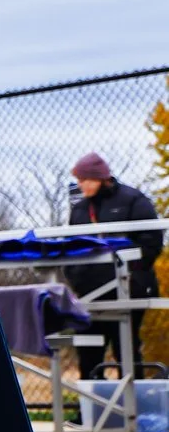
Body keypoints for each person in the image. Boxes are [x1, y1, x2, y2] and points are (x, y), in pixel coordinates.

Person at [64, 153, 162, 378]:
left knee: (125, 347)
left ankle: (132, 407)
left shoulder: (132, 200)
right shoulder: (80, 209)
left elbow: (151, 241)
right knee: (88, 350)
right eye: (78, 180)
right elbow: (71, 247)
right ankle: (89, 410)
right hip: (91, 294)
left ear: (100, 178)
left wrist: (131, 272)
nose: (81, 185)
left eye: (85, 179)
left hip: (128, 289)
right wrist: (78, 280)